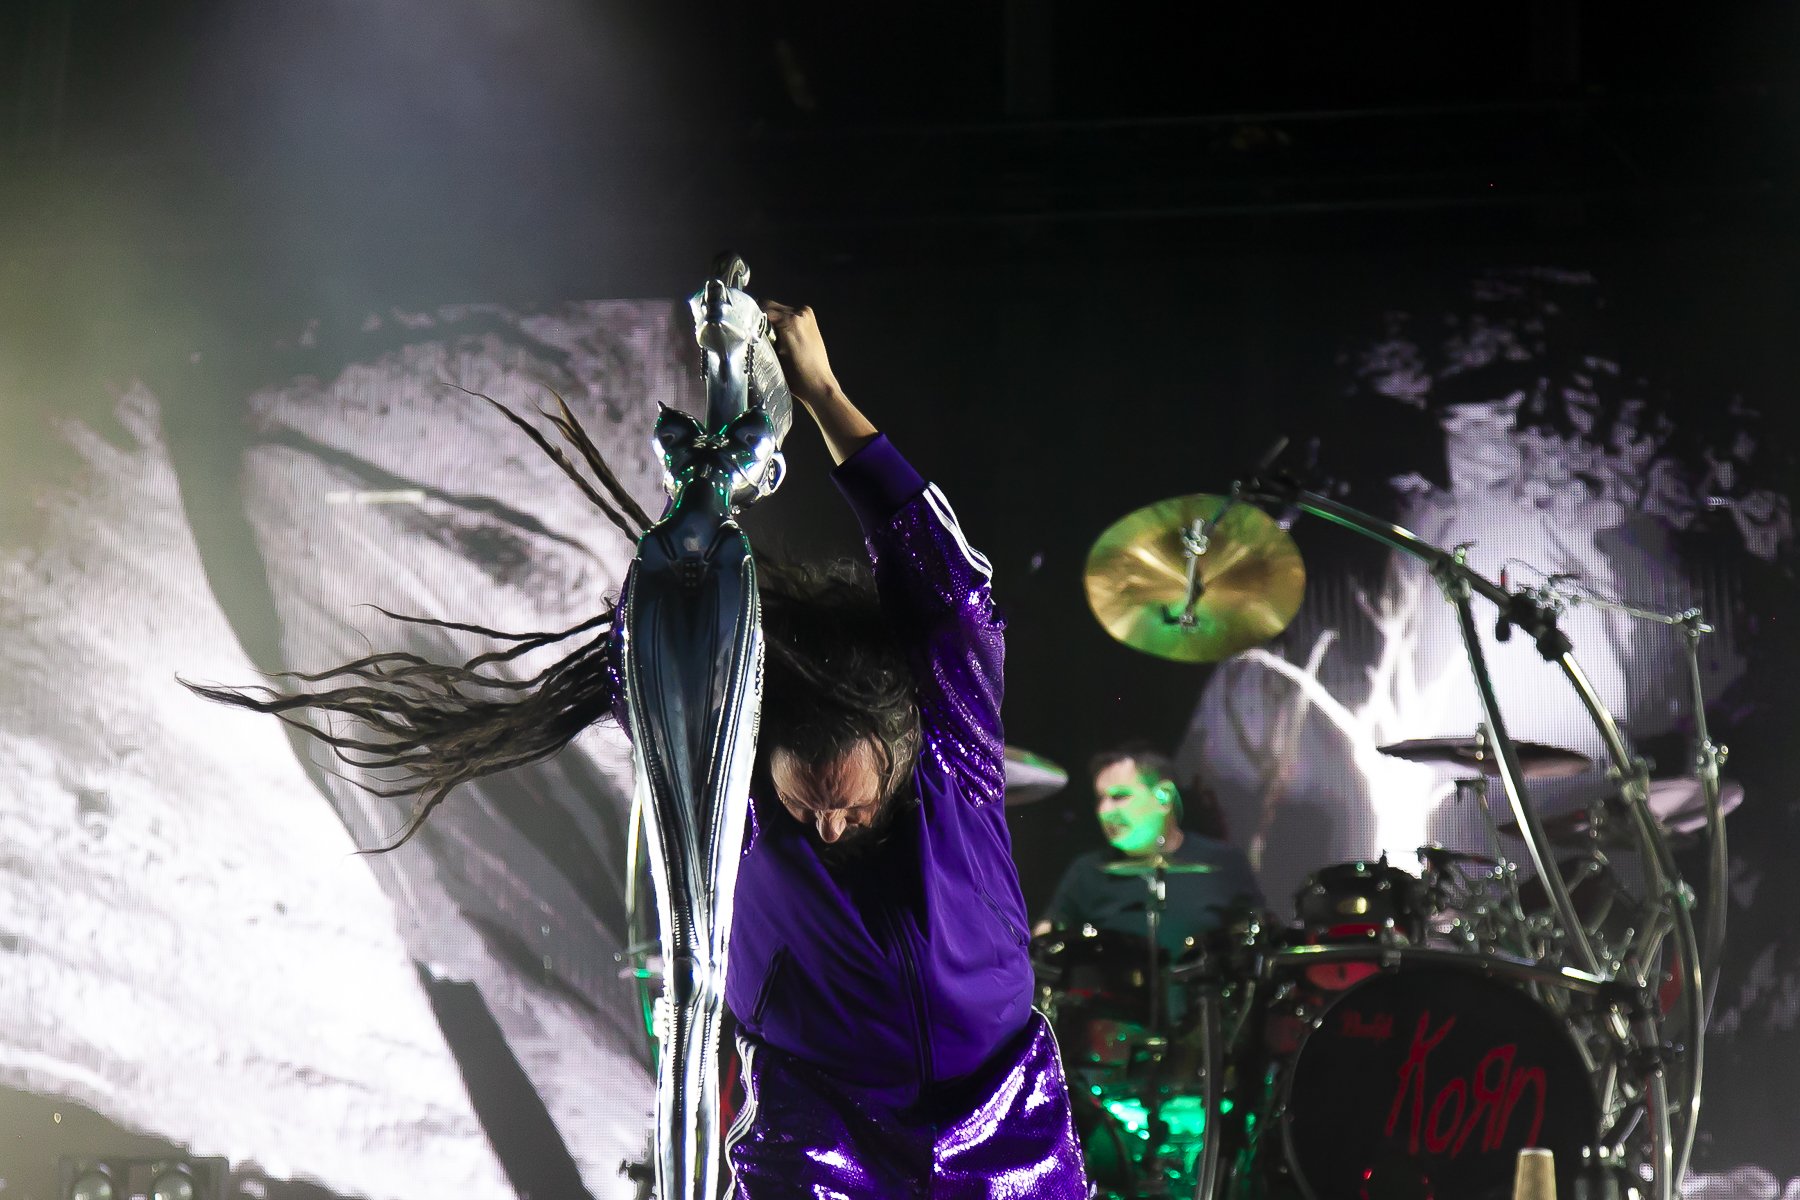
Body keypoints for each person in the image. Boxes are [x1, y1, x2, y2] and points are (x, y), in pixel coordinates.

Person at [190, 302, 1087, 1199]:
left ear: (900, 752)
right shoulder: (732, 796)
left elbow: (951, 591)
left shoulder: (953, 756)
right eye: (805, 804)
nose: (826, 828)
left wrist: (822, 392)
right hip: (822, 1136)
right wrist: (706, 493)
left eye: (849, 807)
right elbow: (650, 648)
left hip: (1005, 1123)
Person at [1034, 743, 1263, 953]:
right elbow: (1044, 942)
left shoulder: (1224, 862)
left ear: (1164, 797)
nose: (1104, 811)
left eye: (1119, 796)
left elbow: (1260, 939)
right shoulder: (1087, 871)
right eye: (1100, 799)